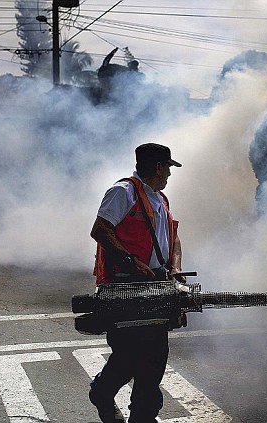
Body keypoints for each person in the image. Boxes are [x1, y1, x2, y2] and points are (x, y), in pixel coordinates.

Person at [88, 143, 183, 423]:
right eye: (168, 167)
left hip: (156, 285)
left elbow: (173, 237)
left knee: (155, 355)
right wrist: (131, 262)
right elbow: (100, 230)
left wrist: (175, 267)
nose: (169, 174)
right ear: (158, 167)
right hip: (124, 286)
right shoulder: (123, 192)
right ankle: (102, 392)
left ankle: (143, 415)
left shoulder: (161, 199)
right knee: (129, 354)